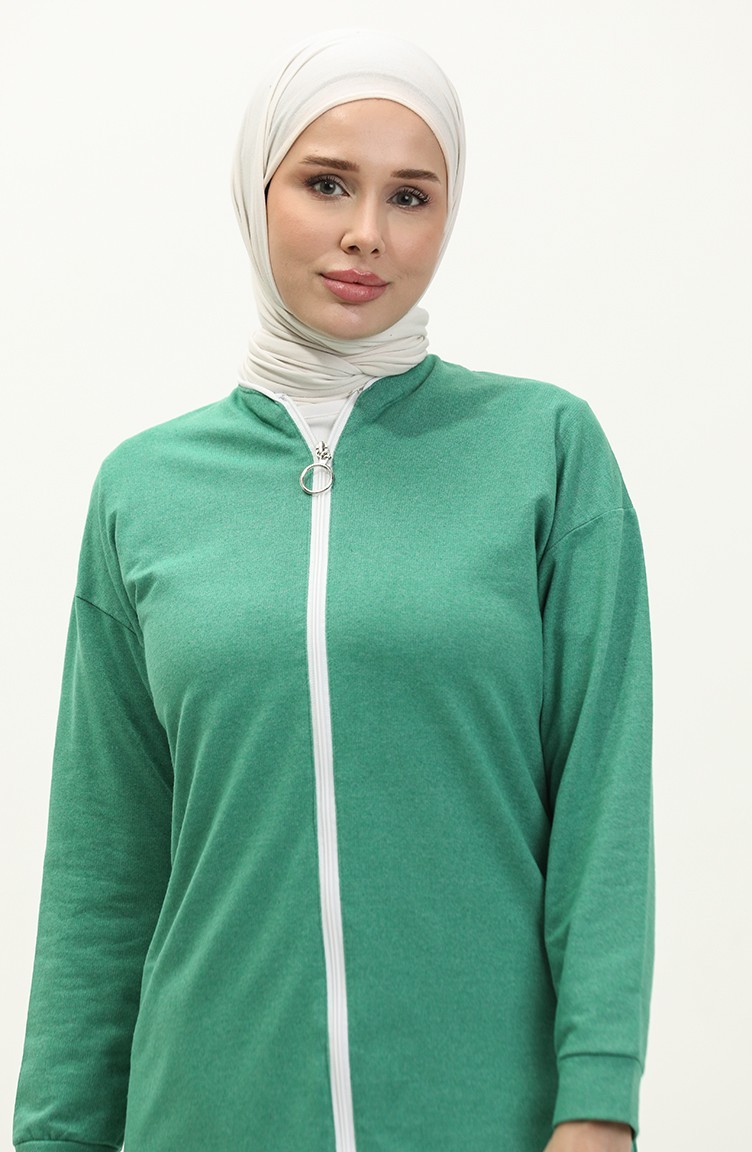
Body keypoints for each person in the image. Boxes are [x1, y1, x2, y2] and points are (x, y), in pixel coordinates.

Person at [12, 27, 654, 1152]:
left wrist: (598, 1103)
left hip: (481, 1116)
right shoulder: (145, 488)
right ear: (255, 193)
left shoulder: (543, 452)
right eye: (325, 184)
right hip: (202, 1116)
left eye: (410, 195)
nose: (367, 232)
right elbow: (103, 865)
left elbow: (603, 796)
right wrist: (57, 1133)